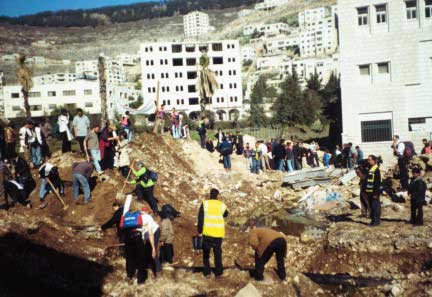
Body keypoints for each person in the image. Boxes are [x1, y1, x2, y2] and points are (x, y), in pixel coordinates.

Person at [197, 189, 228, 278]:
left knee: (206, 253)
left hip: (207, 233)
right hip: (218, 233)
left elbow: (200, 218)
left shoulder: (205, 204)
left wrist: (199, 231)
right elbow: (226, 214)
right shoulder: (221, 205)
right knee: (217, 253)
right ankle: (218, 273)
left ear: (210, 195)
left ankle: (207, 273)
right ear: (217, 195)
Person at [140, 205, 161, 275]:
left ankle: (158, 270)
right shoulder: (147, 217)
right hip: (150, 232)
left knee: (153, 250)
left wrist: (153, 248)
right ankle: (150, 265)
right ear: (146, 211)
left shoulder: (140, 217)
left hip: (154, 232)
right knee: (149, 249)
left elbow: (150, 233)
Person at [365, 155, 382, 227]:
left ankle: (376, 221)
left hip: (374, 192)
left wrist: (376, 193)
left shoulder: (376, 169)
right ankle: (373, 220)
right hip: (369, 191)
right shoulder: (370, 169)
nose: (368, 161)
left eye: (369, 160)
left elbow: (377, 183)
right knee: (371, 207)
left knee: (375, 207)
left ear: (374, 160)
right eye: (368, 160)